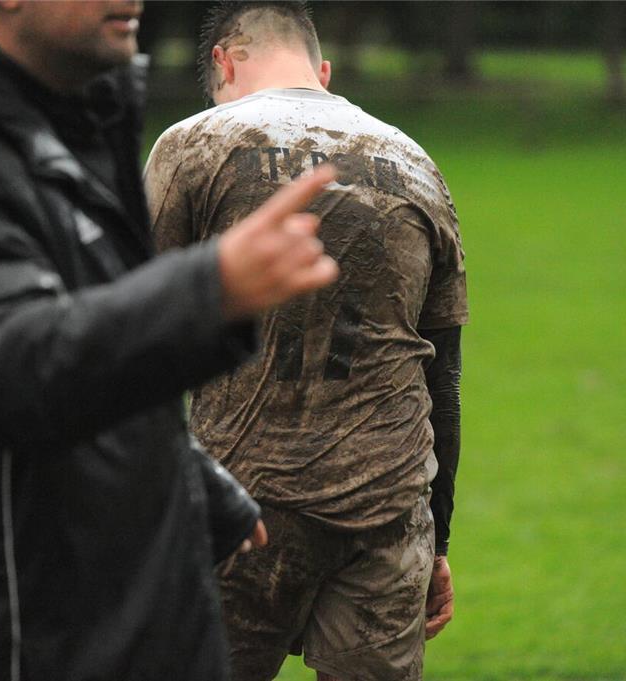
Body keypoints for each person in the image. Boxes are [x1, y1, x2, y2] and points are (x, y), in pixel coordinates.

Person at [0, 1, 338, 680]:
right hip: (0, 639)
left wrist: (188, 483)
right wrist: (206, 288)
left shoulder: (64, 132)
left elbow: (80, 333)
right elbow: (4, 367)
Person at [144, 3, 468, 679]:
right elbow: (442, 376)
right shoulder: (417, 164)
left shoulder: (194, 144)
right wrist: (436, 537)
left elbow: (134, 337)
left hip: (239, 505)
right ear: (323, 71)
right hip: (388, 509)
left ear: (224, 63)